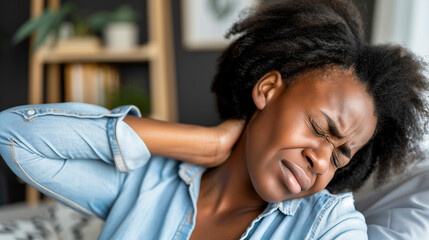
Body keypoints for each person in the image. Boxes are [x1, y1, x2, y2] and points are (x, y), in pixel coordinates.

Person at [0, 0, 428, 239]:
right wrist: (205, 144)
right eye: (319, 129)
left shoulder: (326, 225)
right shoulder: (145, 184)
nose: (322, 161)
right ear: (267, 90)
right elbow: (16, 137)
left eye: (340, 156)